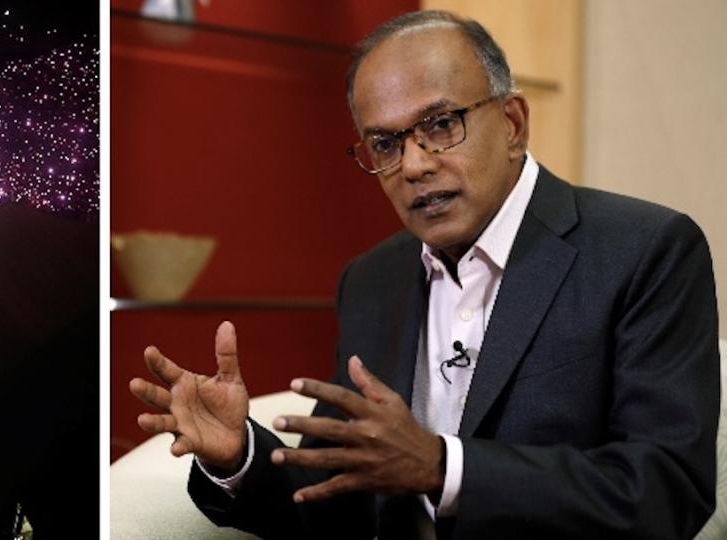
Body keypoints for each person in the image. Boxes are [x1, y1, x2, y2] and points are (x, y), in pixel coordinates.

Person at [128, 10, 719, 539]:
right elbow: (331, 507)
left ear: (513, 123)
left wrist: (443, 468)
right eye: (384, 142)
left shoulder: (645, 250)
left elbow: (666, 495)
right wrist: (239, 456)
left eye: (440, 125)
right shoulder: (371, 279)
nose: (412, 165)